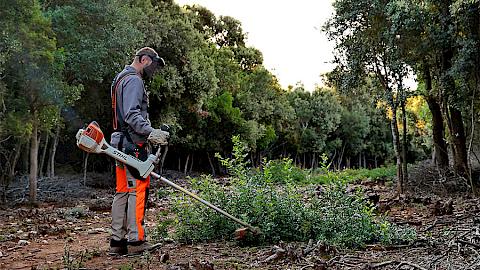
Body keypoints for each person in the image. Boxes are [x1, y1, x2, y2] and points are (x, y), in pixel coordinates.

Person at [109, 47, 169, 255]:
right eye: (152, 65)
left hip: (118, 143)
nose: (153, 71)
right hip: (133, 144)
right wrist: (151, 132)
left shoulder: (119, 78)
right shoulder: (134, 80)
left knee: (123, 191)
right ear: (144, 60)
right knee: (138, 190)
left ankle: (117, 242)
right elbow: (132, 115)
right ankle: (136, 242)